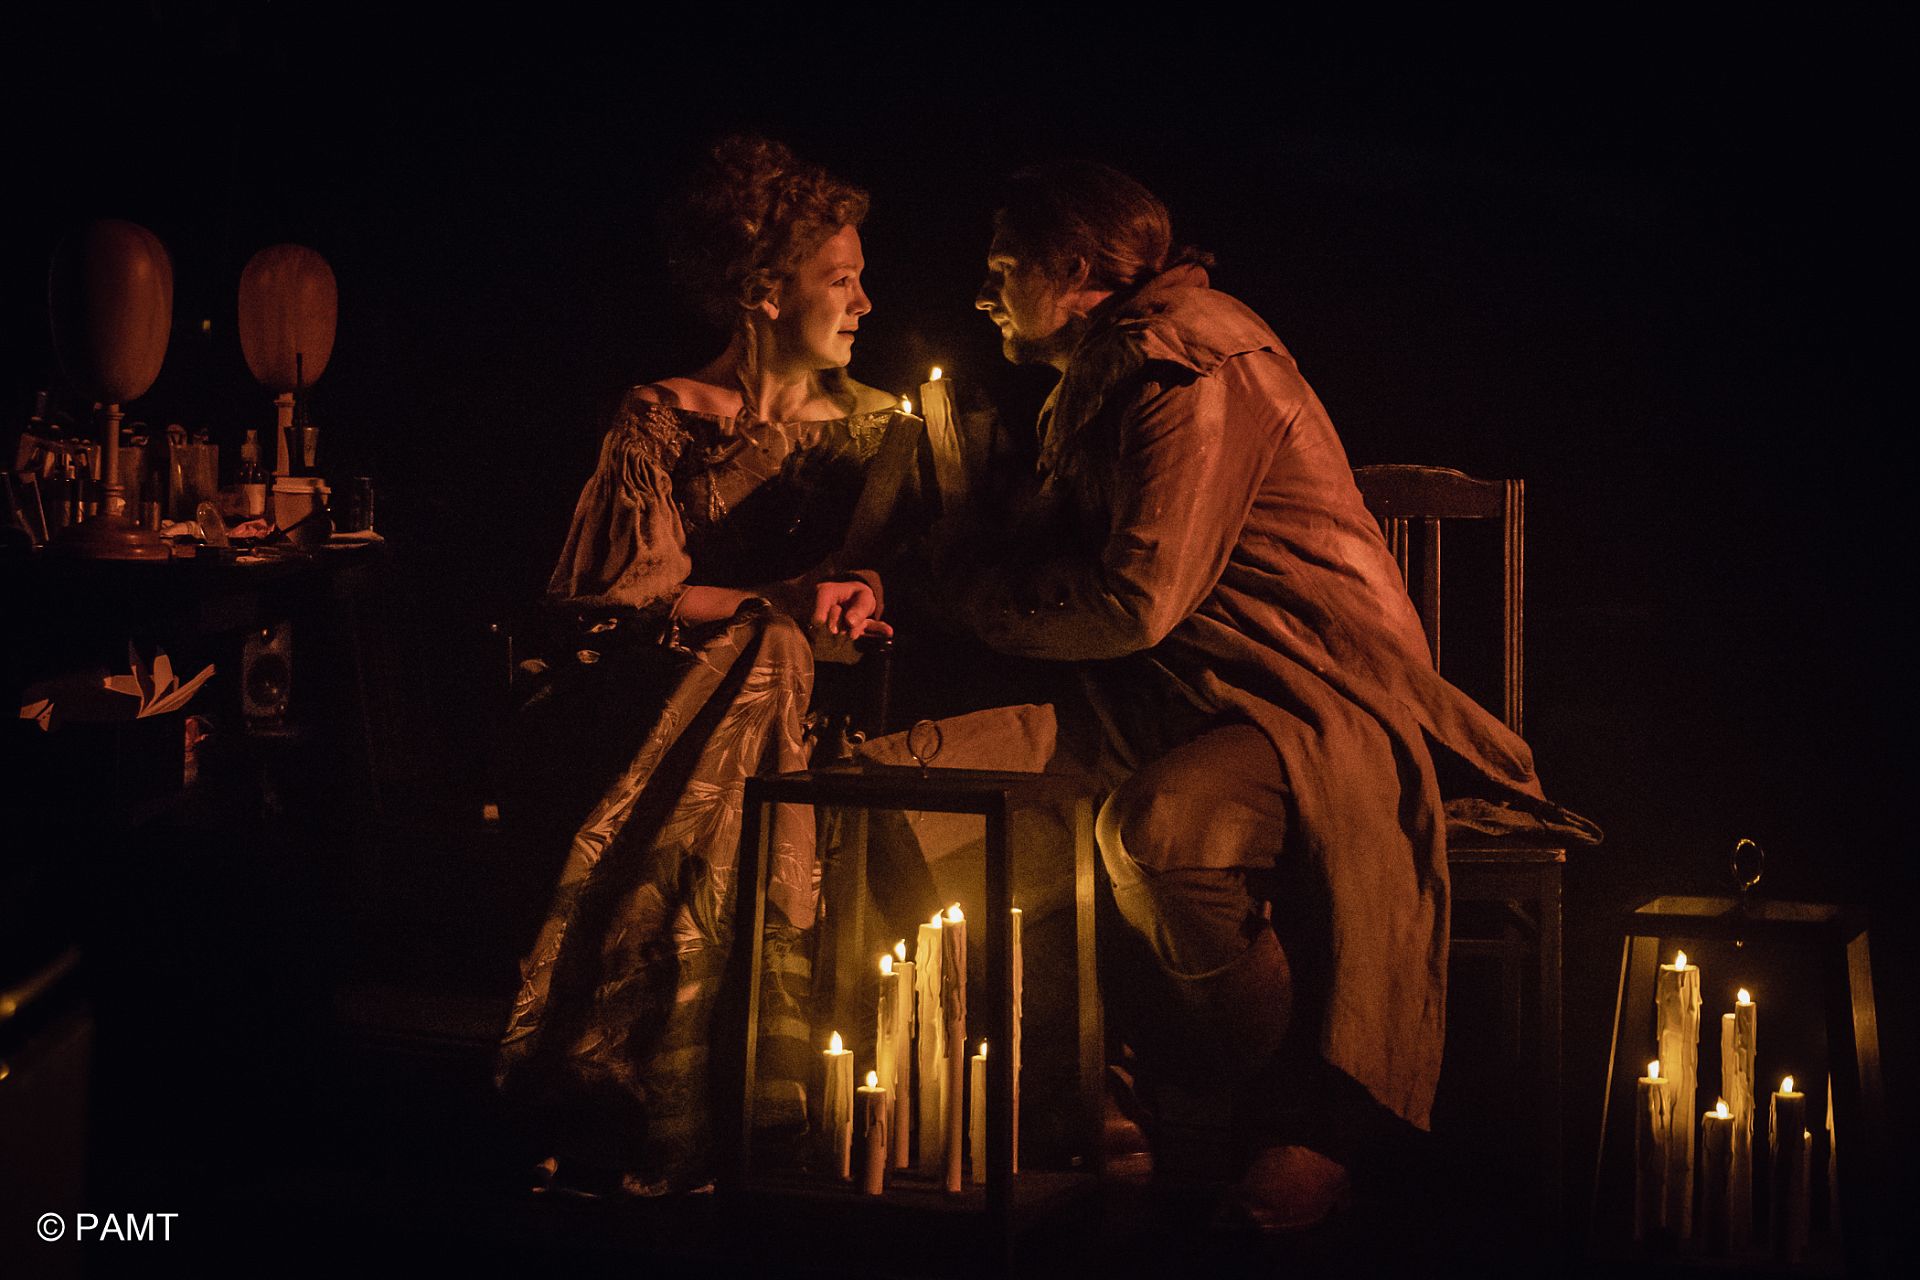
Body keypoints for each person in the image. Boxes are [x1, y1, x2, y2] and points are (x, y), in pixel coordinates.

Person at [916, 161, 1594, 1229]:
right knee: (920, 797)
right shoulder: (1101, 375)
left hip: (1308, 693)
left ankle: (1289, 1116)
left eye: (1004, 268)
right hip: (1169, 695)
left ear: (1076, 270)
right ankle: (1070, 1091)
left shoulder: (1188, 361)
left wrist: (975, 591)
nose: (983, 292)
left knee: (1158, 829)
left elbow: (1135, 598)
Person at [495, 136, 928, 1196]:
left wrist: (864, 590)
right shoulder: (661, 416)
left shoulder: (882, 430)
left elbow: (917, 576)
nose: (865, 301)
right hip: (656, 697)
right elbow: (620, 593)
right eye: (841, 278)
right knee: (761, 648)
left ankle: (629, 1081)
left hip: (824, 709)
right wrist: (771, 608)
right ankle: (698, 1094)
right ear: (763, 290)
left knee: (774, 657)